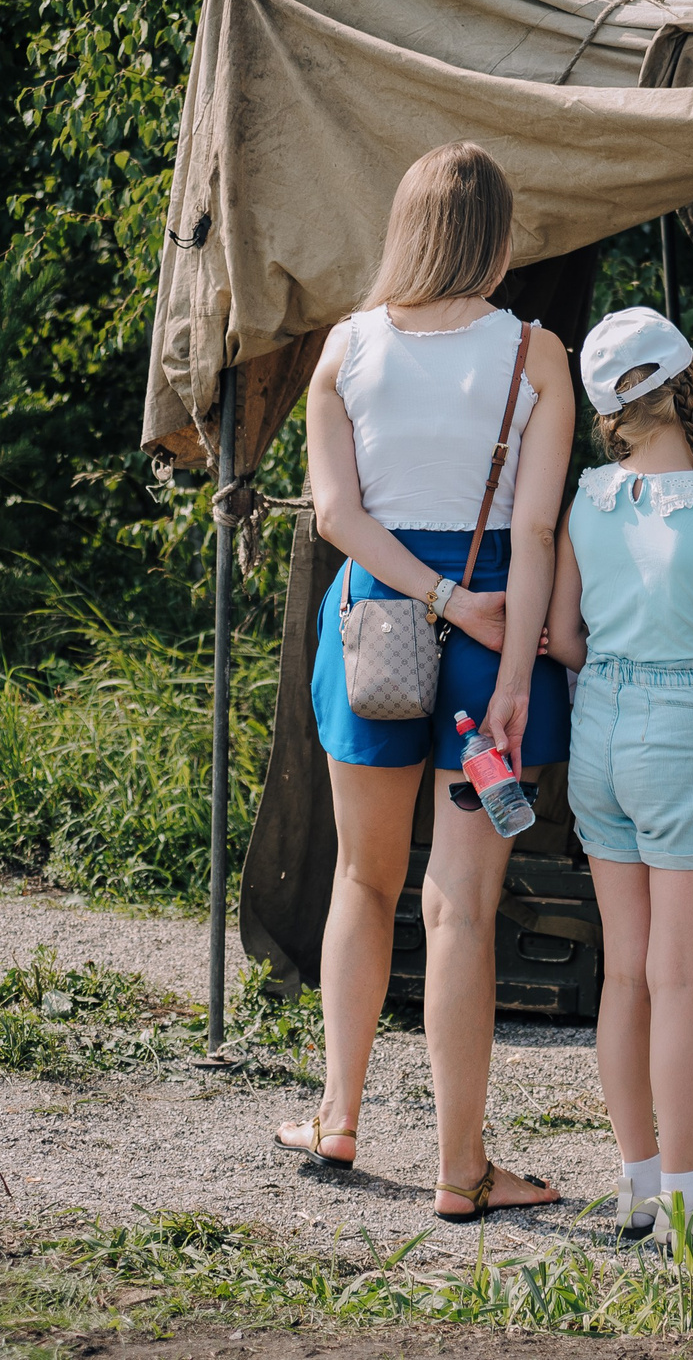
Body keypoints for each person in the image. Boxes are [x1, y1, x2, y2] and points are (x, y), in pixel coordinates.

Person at [284, 142, 573, 1222]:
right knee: (462, 903)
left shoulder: (345, 346)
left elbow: (336, 515)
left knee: (363, 878)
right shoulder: (538, 354)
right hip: (498, 622)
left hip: (377, 619)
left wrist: (435, 595)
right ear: (497, 237)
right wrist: (507, 656)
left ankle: (338, 1114)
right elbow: (535, 529)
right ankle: (462, 1167)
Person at [540, 307, 693, 1249]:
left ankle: (640, 1187)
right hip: (686, 736)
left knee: (626, 973)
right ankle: (687, 1203)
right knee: (682, 980)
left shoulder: (587, 501)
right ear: (687, 387)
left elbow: (564, 636)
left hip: (600, 729)